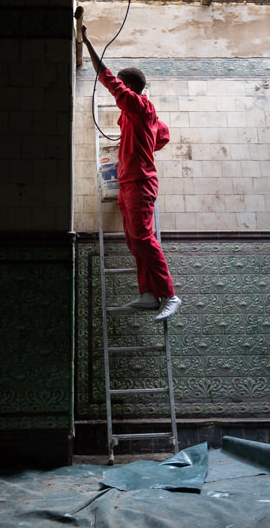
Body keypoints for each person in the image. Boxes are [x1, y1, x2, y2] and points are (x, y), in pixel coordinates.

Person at [82, 27, 181, 322]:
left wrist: (87, 41)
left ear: (129, 87)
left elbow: (108, 79)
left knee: (142, 237)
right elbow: (163, 135)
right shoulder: (136, 115)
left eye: (122, 87)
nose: (118, 93)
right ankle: (148, 294)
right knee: (133, 239)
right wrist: (141, 147)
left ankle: (169, 294)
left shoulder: (140, 106)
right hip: (128, 181)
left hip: (140, 181)